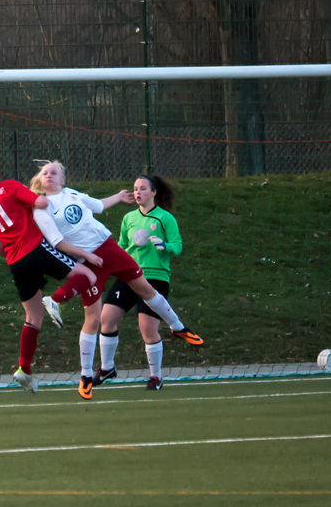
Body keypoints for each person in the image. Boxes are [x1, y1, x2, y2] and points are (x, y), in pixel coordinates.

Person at [30, 160, 202, 401]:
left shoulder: (72, 194)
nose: (48, 175)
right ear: (40, 180)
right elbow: (57, 241)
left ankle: (177, 327)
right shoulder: (41, 208)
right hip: (88, 258)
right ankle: (86, 376)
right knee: (93, 319)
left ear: (62, 180)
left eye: (54, 172)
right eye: (44, 172)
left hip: (109, 249)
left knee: (144, 288)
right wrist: (87, 255)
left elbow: (98, 206)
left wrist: (119, 197)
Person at [0, 157, 99, 394]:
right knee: (89, 274)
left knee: (33, 317)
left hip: (15, 263)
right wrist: (33, 200)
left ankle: (24, 370)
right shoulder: (10, 186)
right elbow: (41, 202)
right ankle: (56, 300)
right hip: (35, 248)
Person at [93, 174, 183, 391]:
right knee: (106, 318)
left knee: (148, 329)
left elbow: (177, 246)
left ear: (153, 193)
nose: (138, 192)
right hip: (129, 274)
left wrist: (166, 246)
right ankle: (107, 368)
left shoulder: (165, 218)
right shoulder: (129, 218)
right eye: (135, 189)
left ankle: (156, 376)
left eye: (143, 188)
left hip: (155, 277)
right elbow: (122, 245)